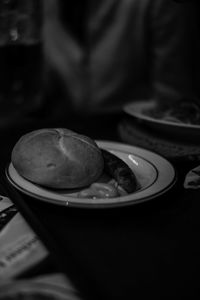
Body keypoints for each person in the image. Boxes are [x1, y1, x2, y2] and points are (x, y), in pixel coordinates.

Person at [42, 0, 199, 125]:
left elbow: (176, 103)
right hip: (62, 128)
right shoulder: (43, 7)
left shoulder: (165, 4)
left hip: (135, 131)